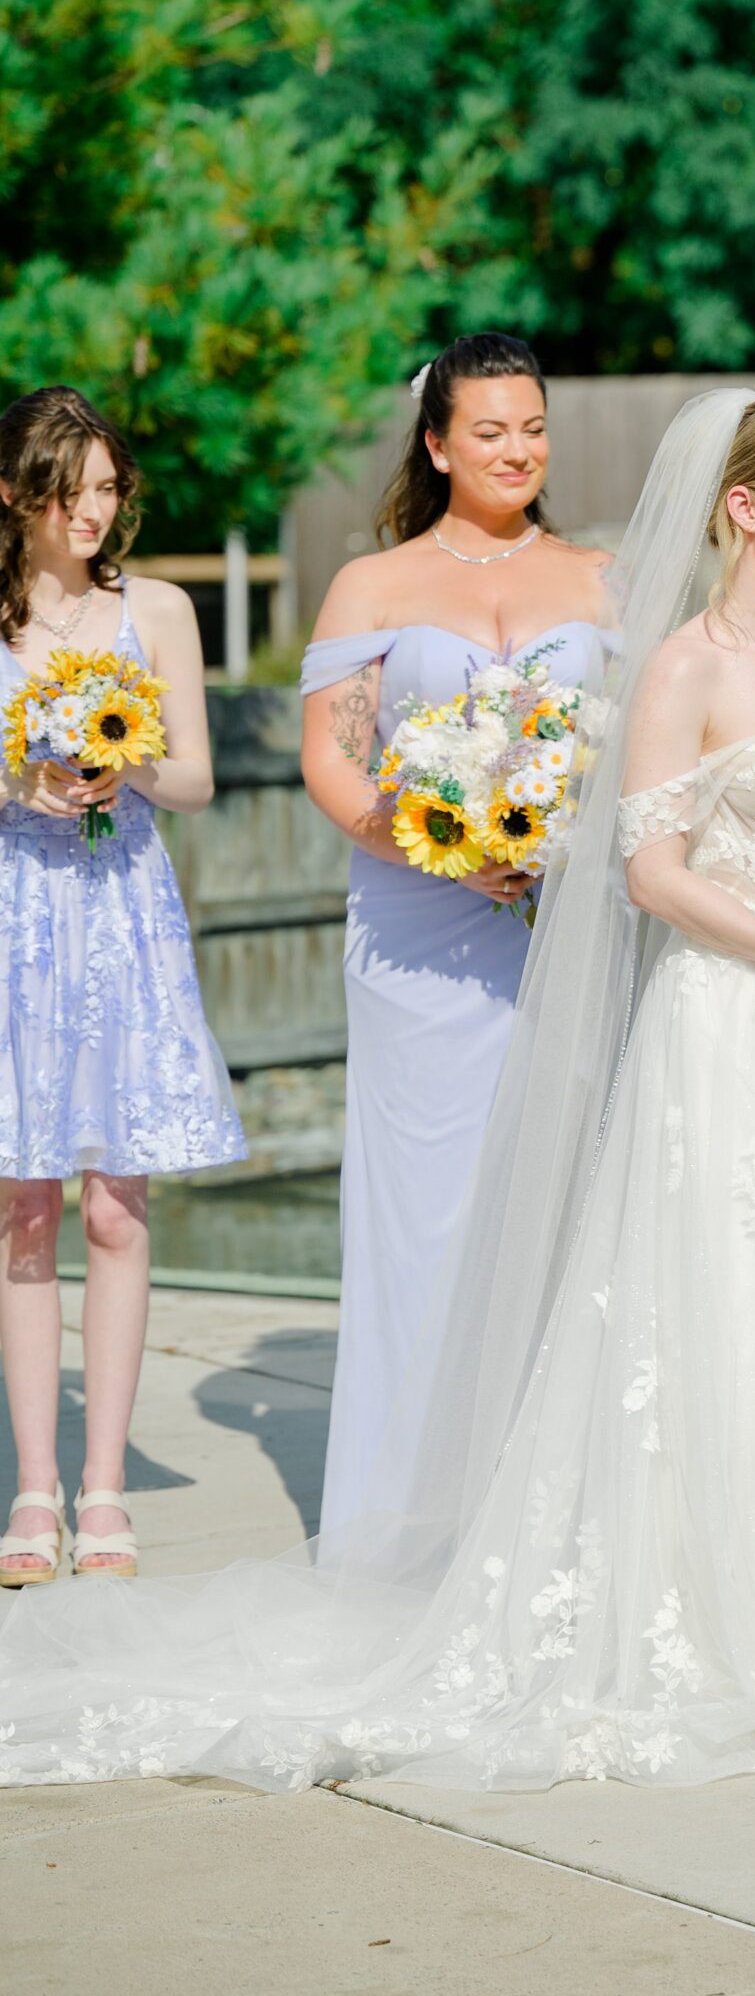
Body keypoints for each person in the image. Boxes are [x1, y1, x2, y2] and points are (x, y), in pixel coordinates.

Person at [0, 385, 755, 1793]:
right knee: (714, 1296)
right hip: (708, 1014)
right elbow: (651, 868)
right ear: (741, 508)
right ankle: (697, 1594)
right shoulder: (674, 664)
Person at [300, 334, 615, 1539]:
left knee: (556, 1197)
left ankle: (539, 1510)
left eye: (531, 426)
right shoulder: (373, 587)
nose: (516, 450)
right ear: (437, 444)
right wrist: (432, 842)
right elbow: (334, 756)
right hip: (416, 933)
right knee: (426, 1208)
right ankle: (406, 1514)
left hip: (561, 925)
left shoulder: (597, 581)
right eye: (489, 431)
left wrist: (556, 844)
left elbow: (636, 744)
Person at [0, 387, 244, 1588]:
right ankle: (33, 1489)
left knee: (116, 1201)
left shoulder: (155, 608)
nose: (93, 510)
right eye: (70, 490)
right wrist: (19, 788)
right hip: (15, 918)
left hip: (122, 914)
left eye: (106, 487)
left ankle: (107, 1488)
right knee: (23, 1206)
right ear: (15, 494)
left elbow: (197, 778)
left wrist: (126, 766)